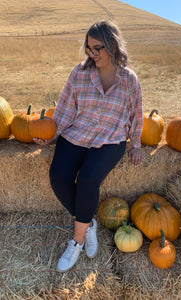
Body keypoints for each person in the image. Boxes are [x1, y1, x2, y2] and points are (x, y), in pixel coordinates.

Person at [33, 20, 143, 272]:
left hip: (110, 140)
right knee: (58, 177)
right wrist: (52, 134)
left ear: (113, 45)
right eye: (89, 49)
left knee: (87, 181)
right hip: (76, 135)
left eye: (98, 48)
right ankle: (88, 222)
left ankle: (77, 240)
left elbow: (137, 114)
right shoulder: (80, 72)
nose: (92, 55)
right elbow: (64, 107)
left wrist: (135, 145)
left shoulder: (129, 80)